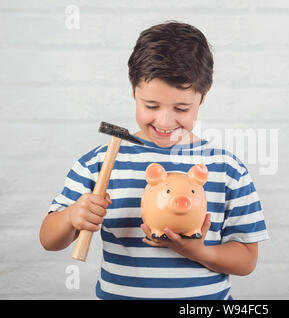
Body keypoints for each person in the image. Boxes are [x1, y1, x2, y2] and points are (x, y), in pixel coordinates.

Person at [39, 21, 269, 300]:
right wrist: (72, 216)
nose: (164, 121)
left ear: (203, 97)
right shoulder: (99, 164)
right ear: (133, 91)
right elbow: (49, 240)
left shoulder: (226, 168)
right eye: (151, 106)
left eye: (181, 108)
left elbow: (246, 259)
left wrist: (200, 252)